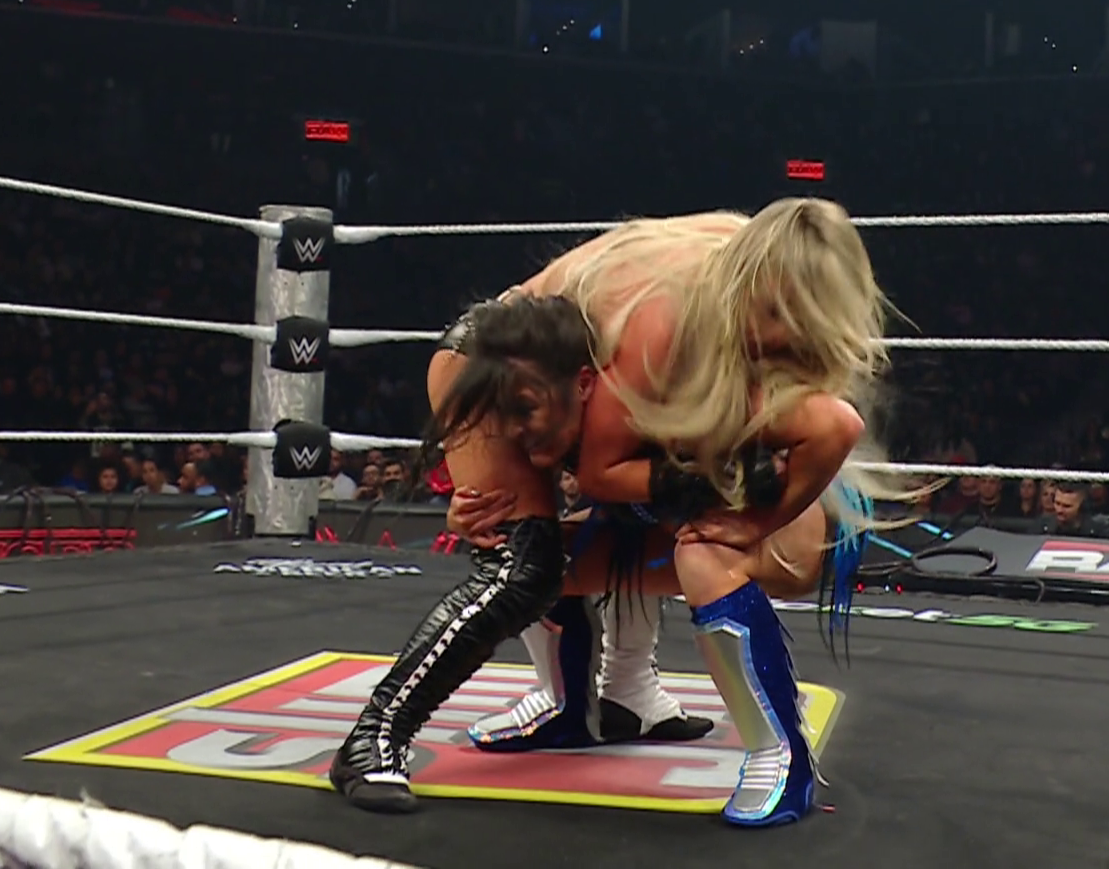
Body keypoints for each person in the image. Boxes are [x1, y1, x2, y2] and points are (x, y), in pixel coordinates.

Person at [332, 199, 889, 827]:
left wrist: (749, 517)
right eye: (772, 323)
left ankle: (624, 698)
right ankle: (376, 737)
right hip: (498, 357)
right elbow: (601, 474)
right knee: (522, 563)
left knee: (698, 540)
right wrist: (726, 493)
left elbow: (829, 428)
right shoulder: (665, 324)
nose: (777, 341)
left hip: (582, 373)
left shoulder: (774, 297)